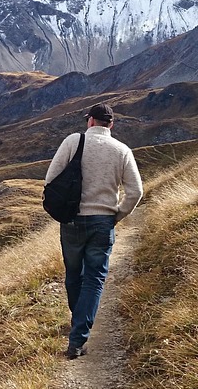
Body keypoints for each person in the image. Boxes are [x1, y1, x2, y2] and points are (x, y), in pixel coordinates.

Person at [44, 102, 143, 359]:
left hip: (72, 221)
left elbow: (50, 180)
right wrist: (117, 215)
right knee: (95, 278)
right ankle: (78, 336)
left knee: (74, 274)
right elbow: (136, 191)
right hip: (103, 222)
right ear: (111, 124)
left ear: (90, 121)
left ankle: (78, 326)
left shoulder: (72, 142)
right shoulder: (122, 150)